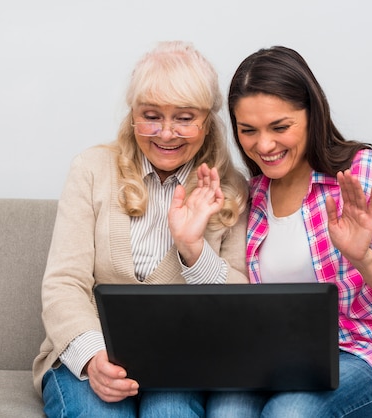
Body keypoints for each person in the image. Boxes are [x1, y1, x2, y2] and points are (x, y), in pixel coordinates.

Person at [32, 41, 255, 417]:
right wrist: (93, 358)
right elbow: (64, 282)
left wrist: (192, 249)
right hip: (91, 353)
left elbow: (242, 306)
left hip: (180, 363)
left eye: (184, 118)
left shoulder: (230, 190)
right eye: (151, 115)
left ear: (206, 121)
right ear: (132, 114)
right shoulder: (92, 170)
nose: (166, 134)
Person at [225, 45, 372, 416]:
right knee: (225, 409)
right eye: (248, 130)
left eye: (280, 127)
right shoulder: (255, 194)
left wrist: (363, 258)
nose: (263, 145)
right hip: (284, 359)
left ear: (312, 115)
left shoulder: (366, 173)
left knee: (289, 412)